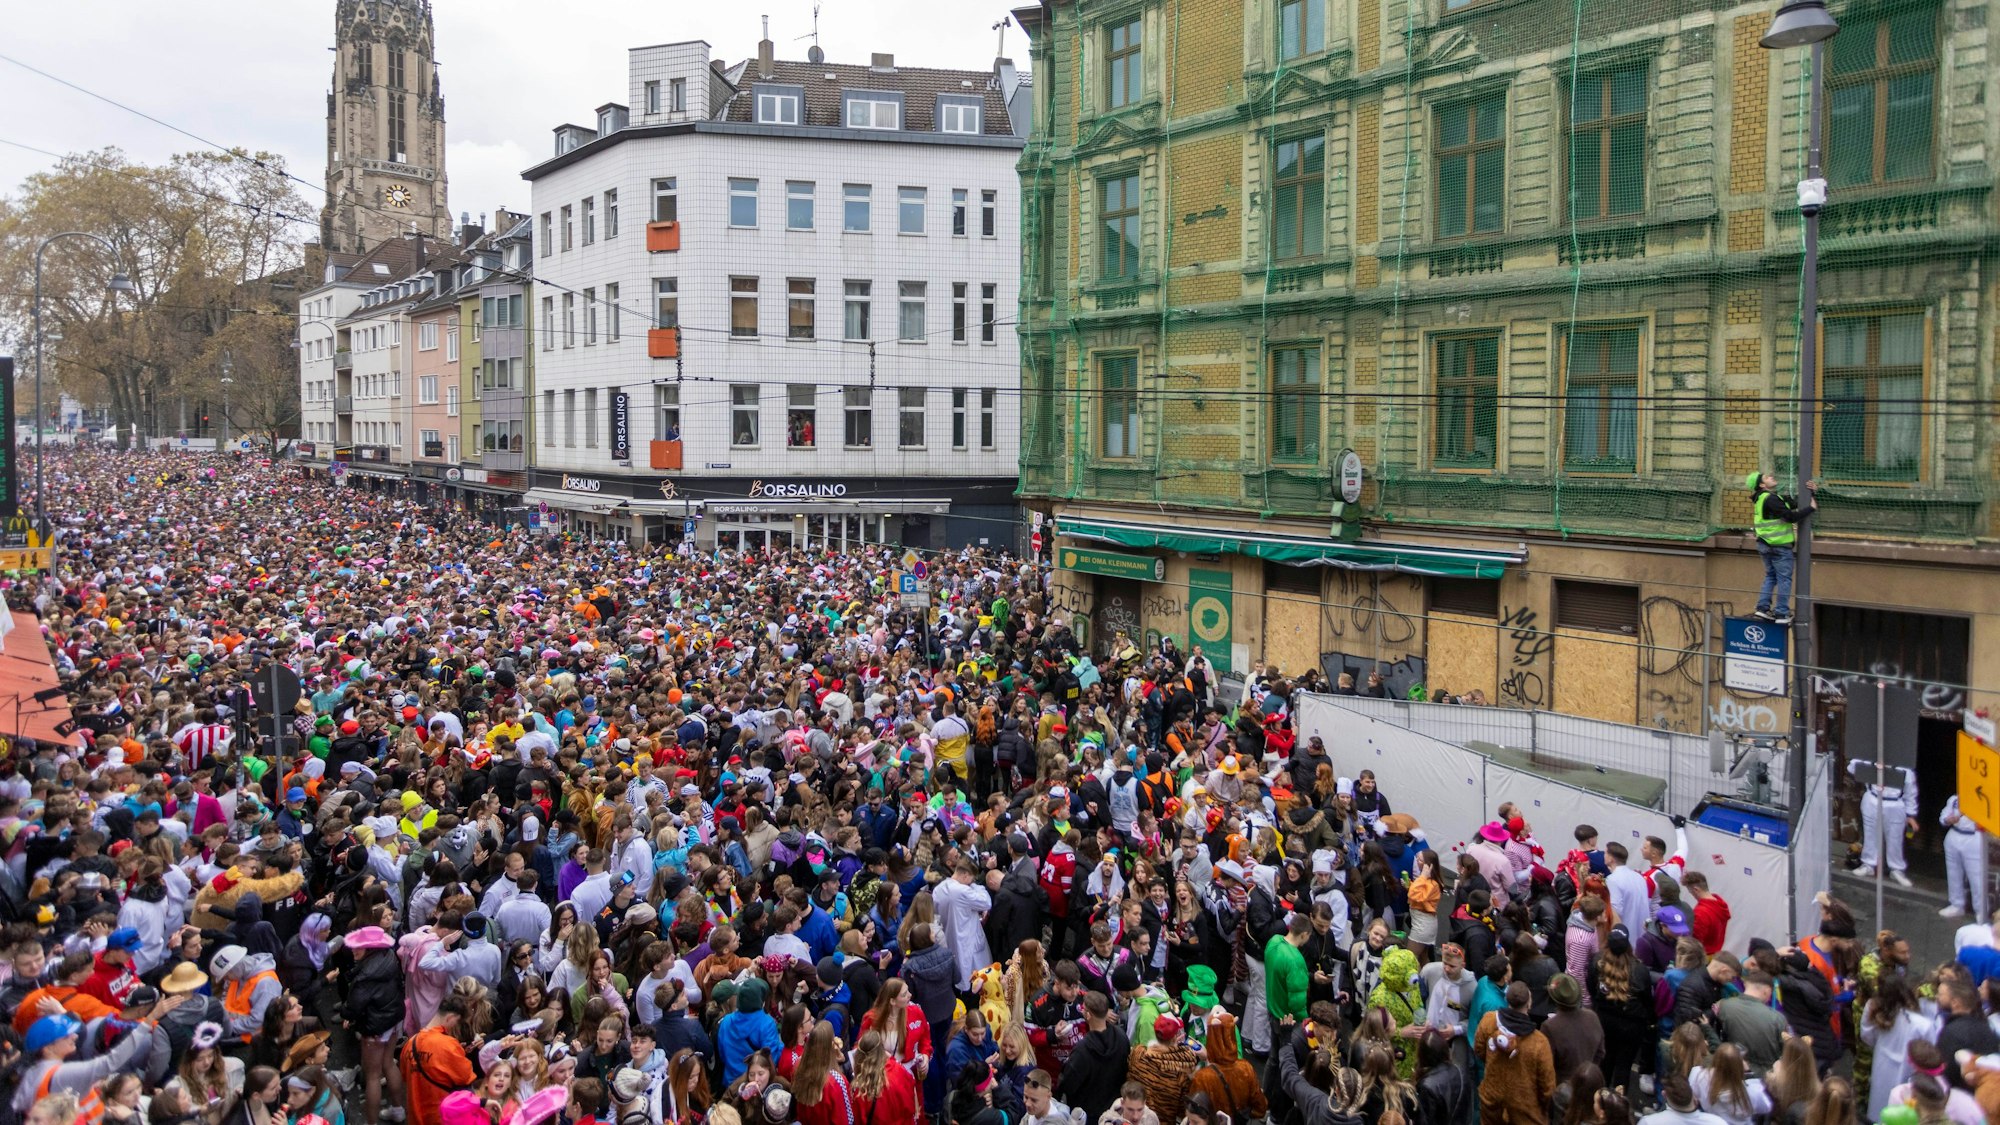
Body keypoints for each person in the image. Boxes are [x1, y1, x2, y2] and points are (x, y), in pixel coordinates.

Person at [1474, 981, 1556, 1125]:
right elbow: (1547, 1087)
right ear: (1529, 1003)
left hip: (1491, 1100)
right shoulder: (1539, 1042)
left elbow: (1480, 1050)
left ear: (1507, 1000)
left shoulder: (1488, 1021)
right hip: (1525, 1111)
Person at [1745, 471, 1816, 625]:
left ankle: (1762, 609)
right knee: (1784, 579)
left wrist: (1812, 492)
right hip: (1778, 546)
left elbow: (1792, 503)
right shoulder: (1770, 499)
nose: (1771, 476)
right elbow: (1790, 517)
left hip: (1765, 544)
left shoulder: (1764, 498)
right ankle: (1782, 613)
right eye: (1766, 477)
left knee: (1771, 576)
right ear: (1762, 485)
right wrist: (1811, 509)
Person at [1849, 758, 1918, 888]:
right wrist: (1870, 763)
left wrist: (1910, 814)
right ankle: (1868, 864)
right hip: (1872, 798)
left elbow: (1910, 793)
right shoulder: (1871, 761)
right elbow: (1852, 768)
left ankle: (1896, 869)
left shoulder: (1904, 768)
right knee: (1870, 834)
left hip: (1894, 803)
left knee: (1895, 838)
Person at [1940, 795, 1989, 920]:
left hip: (1973, 837)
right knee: (1953, 872)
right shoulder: (1954, 799)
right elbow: (1943, 816)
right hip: (1954, 834)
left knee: (1976, 876)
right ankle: (1956, 904)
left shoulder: (1984, 799)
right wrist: (1948, 819)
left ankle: (1981, 911)